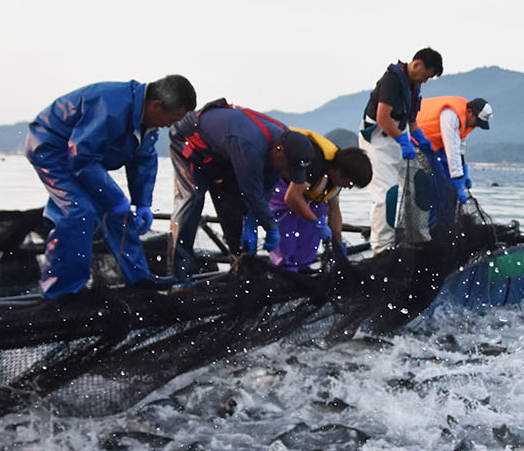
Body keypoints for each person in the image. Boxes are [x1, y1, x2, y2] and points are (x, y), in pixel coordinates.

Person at [26, 75, 196, 298]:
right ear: (156, 105)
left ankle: (138, 276)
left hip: (83, 157)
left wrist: (142, 202)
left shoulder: (147, 120)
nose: (169, 125)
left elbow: (144, 158)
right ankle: (61, 291)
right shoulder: (111, 105)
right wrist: (116, 199)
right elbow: (82, 157)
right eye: (172, 119)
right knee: (78, 211)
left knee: (119, 212)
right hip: (51, 148)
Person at [167, 100, 317, 270]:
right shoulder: (250, 146)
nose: (286, 171)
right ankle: (178, 272)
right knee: (193, 199)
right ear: (279, 150)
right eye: (286, 166)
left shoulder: (285, 140)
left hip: (222, 152)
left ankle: (240, 264)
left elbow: (266, 187)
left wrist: (251, 218)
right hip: (189, 139)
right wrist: (271, 226)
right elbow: (252, 193)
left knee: (235, 206)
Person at [358, 47, 443, 252]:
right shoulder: (392, 80)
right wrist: (403, 141)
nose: (425, 81)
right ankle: (382, 247)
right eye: (426, 75)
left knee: (420, 182)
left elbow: (412, 120)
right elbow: (383, 117)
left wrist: (419, 138)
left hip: (398, 137)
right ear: (417, 64)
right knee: (387, 193)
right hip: (378, 141)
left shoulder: (414, 85)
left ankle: (417, 237)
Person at [267, 131, 373, 271]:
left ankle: (303, 264)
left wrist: (338, 242)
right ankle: (284, 265)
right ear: (340, 173)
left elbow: (334, 210)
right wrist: (317, 222)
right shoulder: (314, 163)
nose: (349, 187)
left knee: (318, 209)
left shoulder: (336, 178)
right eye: (351, 183)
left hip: (301, 191)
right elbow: (291, 198)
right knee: (289, 219)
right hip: (281, 185)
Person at [416, 95, 492, 228]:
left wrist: (464, 172)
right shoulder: (450, 115)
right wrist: (458, 179)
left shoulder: (465, 122)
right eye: (477, 122)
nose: (476, 126)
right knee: (434, 189)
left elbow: (459, 148)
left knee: (449, 190)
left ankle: (445, 226)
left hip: (433, 147)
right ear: (470, 112)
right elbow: (451, 148)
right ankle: (429, 229)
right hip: (415, 142)